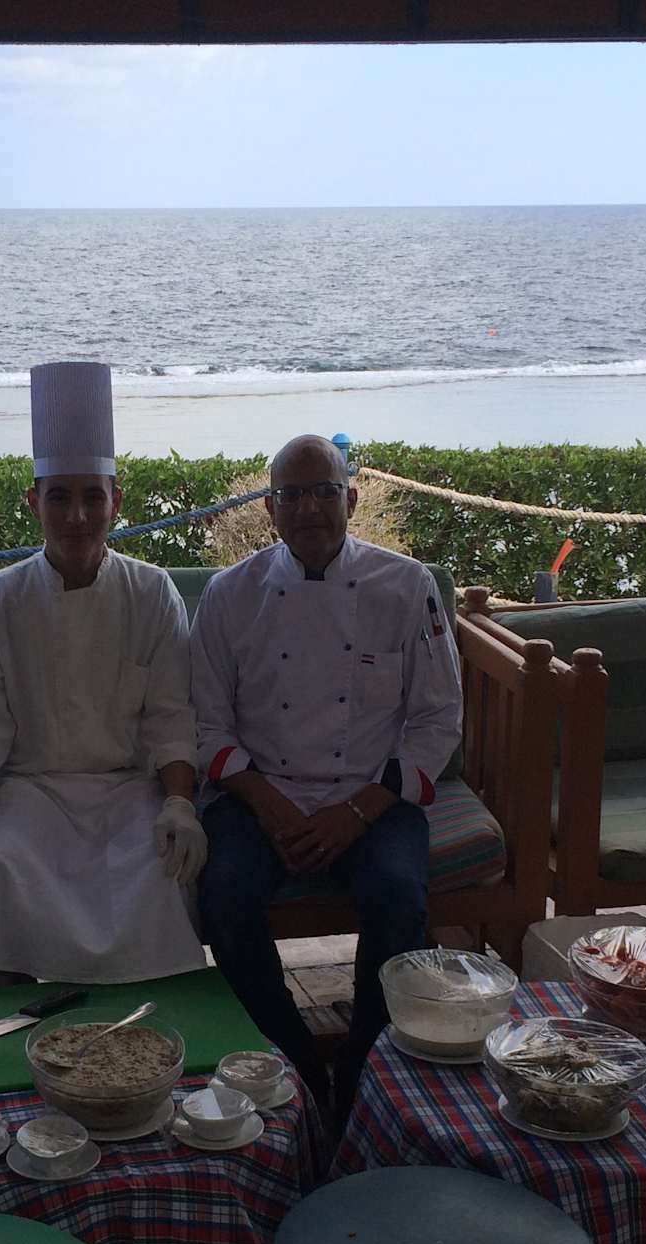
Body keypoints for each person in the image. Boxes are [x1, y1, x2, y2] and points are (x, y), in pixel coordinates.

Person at [191, 433, 464, 1127]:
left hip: (370, 792)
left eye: (324, 491)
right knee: (224, 899)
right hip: (258, 794)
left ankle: (367, 1077)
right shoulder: (229, 594)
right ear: (269, 508)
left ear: (352, 498)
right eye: (291, 494)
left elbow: (438, 720)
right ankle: (298, 1069)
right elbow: (207, 726)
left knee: (397, 898)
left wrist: (359, 811)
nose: (309, 507)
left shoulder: (407, 586)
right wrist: (270, 805)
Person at [0, 361, 208, 982]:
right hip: (28, 793)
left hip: (129, 793)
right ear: (33, 502)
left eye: (93, 496)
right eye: (59, 497)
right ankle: (19, 1029)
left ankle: (146, 1031)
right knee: (1, 869)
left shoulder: (153, 593)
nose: (77, 516)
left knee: (162, 872)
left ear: (116, 501)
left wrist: (179, 804)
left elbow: (170, 716)